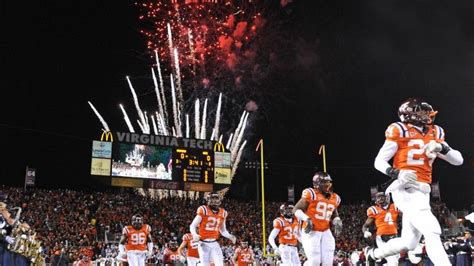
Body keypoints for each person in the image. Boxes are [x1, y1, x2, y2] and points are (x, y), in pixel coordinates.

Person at [366, 98, 463, 265]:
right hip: (404, 187)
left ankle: (373, 254)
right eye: (421, 111)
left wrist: (442, 148)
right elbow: (379, 161)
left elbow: (458, 160)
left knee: (409, 242)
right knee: (431, 229)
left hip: (422, 190)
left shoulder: (435, 132)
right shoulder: (400, 130)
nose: (427, 114)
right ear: (409, 114)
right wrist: (395, 172)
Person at [293, 172, 343, 266]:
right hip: (311, 231)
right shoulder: (311, 194)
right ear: (316, 184)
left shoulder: (335, 198)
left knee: (328, 262)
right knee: (314, 262)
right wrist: (306, 218)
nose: (327, 184)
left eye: (329, 182)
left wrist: (337, 220)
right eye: (324, 182)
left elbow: (334, 213)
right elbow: (295, 209)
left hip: (326, 231)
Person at [190, 192, 236, 266]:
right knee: (205, 264)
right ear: (208, 200)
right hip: (203, 243)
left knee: (220, 264)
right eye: (212, 199)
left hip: (214, 243)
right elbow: (192, 225)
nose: (214, 201)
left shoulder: (223, 212)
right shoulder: (204, 209)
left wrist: (230, 236)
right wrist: (194, 234)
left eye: (216, 199)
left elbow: (223, 230)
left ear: (219, 200)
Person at [362, 192, 400, 266]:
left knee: (394, 260)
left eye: (382, 196)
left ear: (388, 197)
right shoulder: (375, 210)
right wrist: (365, 232)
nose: (380, 199)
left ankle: (372, 254)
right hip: (382, 238)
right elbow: (365, 226)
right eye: (378, 197)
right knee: (392, 261)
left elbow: (406, 217)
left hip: (395, 237)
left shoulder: (395, 207)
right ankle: (372, 254)